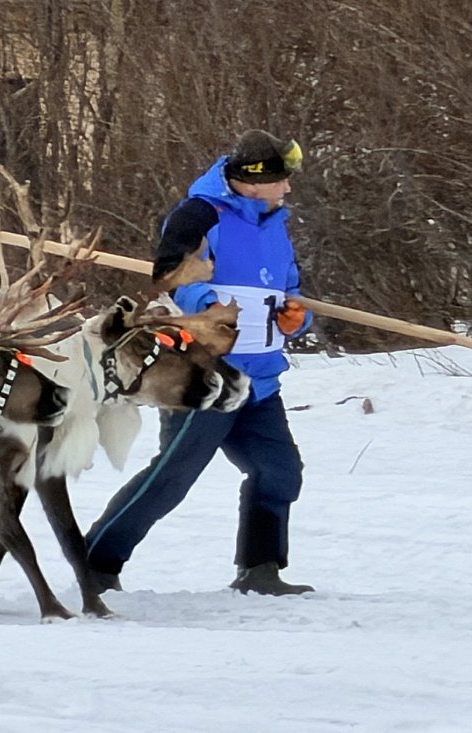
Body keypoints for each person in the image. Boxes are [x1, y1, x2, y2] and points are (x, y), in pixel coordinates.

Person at [85, 129, 316, 596]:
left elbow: (288, 288)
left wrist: (296, 315)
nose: (287, 188)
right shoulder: (200, 215)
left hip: (261, 378)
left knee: (279, 471)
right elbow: (171, 274)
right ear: (253, 182)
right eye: (280, 180)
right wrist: (207, 303)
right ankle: (95, 560)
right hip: (205, 377)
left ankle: (260, 568)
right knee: (173, 477)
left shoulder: (275, 225)